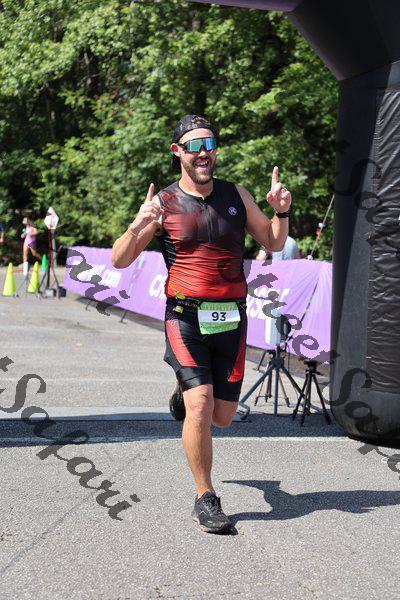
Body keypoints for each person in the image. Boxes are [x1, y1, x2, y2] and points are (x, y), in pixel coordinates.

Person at [111, 115, 292, 534]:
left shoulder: (236, 195)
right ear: (178, 152)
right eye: (194, 145)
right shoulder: (164, 204)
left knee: (222, 417)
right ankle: (205, 497)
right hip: (185, 317)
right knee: (201, 404)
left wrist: (281, 211)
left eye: (209, 144)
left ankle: (185, 389)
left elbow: (274, 241)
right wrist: (138, 224)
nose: (204, 152)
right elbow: (119, 259)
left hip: (231, 317)